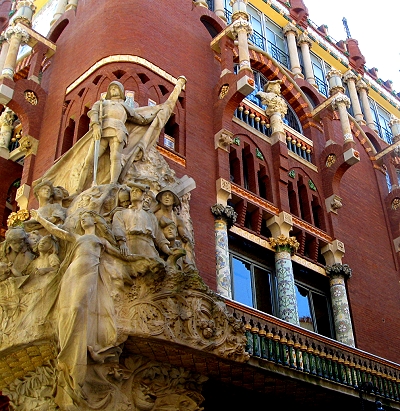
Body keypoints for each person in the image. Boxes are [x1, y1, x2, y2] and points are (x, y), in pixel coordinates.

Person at [30, 209, 124, 391]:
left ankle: (78, 351)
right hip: (73, 271)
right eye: (81, 218)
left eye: (86, 217)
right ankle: (66, 350)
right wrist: (40, 218)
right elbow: (57, 231)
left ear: (95, 221)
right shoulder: (78, 238)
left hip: (89, 271)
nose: (83, 220)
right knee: (66, 310)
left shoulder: (101, 240)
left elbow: (120, 255)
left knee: (77, 308)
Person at [112, 182, 172, 263]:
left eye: (137, 190)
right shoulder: (121, 213)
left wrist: (168, 251)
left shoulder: (150, 216)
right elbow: (117, 228)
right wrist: (122, 244)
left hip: (149, 248)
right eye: (132, 191)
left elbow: (159, 237)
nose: (134, 192)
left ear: (144, 195)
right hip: (130, 246)